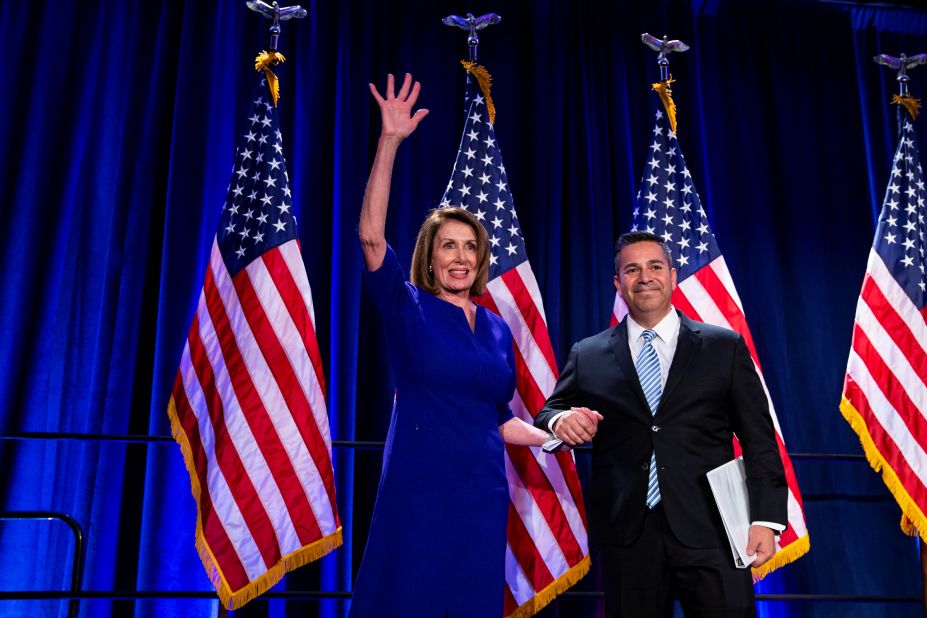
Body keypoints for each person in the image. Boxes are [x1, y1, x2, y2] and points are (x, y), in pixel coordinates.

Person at [350, 73, 549, 618]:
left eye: (469, 247)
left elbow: (495, 418)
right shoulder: (405, 304)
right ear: (430, 256)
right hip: (420, 492)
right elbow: (371, 236)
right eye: (447, 246)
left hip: (482, 496)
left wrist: (552, 436)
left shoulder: (495, 328)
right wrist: (390, 141)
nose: (459, 257)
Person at [534, 231, 787, 617]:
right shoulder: (589, 354)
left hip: (715, 529)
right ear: (618, 284)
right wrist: (561, 420)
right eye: (631, 270)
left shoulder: (723, 346)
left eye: (654, 267)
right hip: (629, 536)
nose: (644, 277)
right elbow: (549, 412)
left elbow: (760, 440)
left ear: (671, 275)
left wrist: (765, 520)